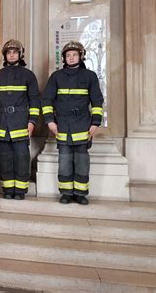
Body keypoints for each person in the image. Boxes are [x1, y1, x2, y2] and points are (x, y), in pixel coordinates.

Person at [42, 41, 104, 205]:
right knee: (64, 161)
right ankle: (66, 193)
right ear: (64, 58)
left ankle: (81, 194)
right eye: (68, 55)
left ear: (81, 56)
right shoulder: (56, 77)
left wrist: (95, 123)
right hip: (62, 124)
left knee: (82, 161)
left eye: (74, 55)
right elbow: (47, 100)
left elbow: (97, 101)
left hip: (83, 125)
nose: (71, 58)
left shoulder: (89, 76)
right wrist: (50, 121)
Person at [0, 39, 40, 200]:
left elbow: (35, 100)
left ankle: (21, 190)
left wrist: (32, 121)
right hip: (2, 123)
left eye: (14, 52)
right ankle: (8, 189)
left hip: (21, 123)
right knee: (4, 158)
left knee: (21, 157)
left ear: (20, 54)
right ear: (4, 55)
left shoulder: (28, 75)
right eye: (9, 53)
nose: (11, 55)